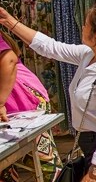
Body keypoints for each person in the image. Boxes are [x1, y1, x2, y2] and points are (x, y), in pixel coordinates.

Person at [0, 4, 96, 182]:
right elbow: (49, 47)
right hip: (93, 145)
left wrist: (94, 172)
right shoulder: (89, 56)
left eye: (86, 24)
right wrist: (9, 21)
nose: (82, 28)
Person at [0, 31, 54, 181]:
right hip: (14, 105)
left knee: (43, 161)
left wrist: (0, 103)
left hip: (24, 102)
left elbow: (9, 60)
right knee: (5, 165)